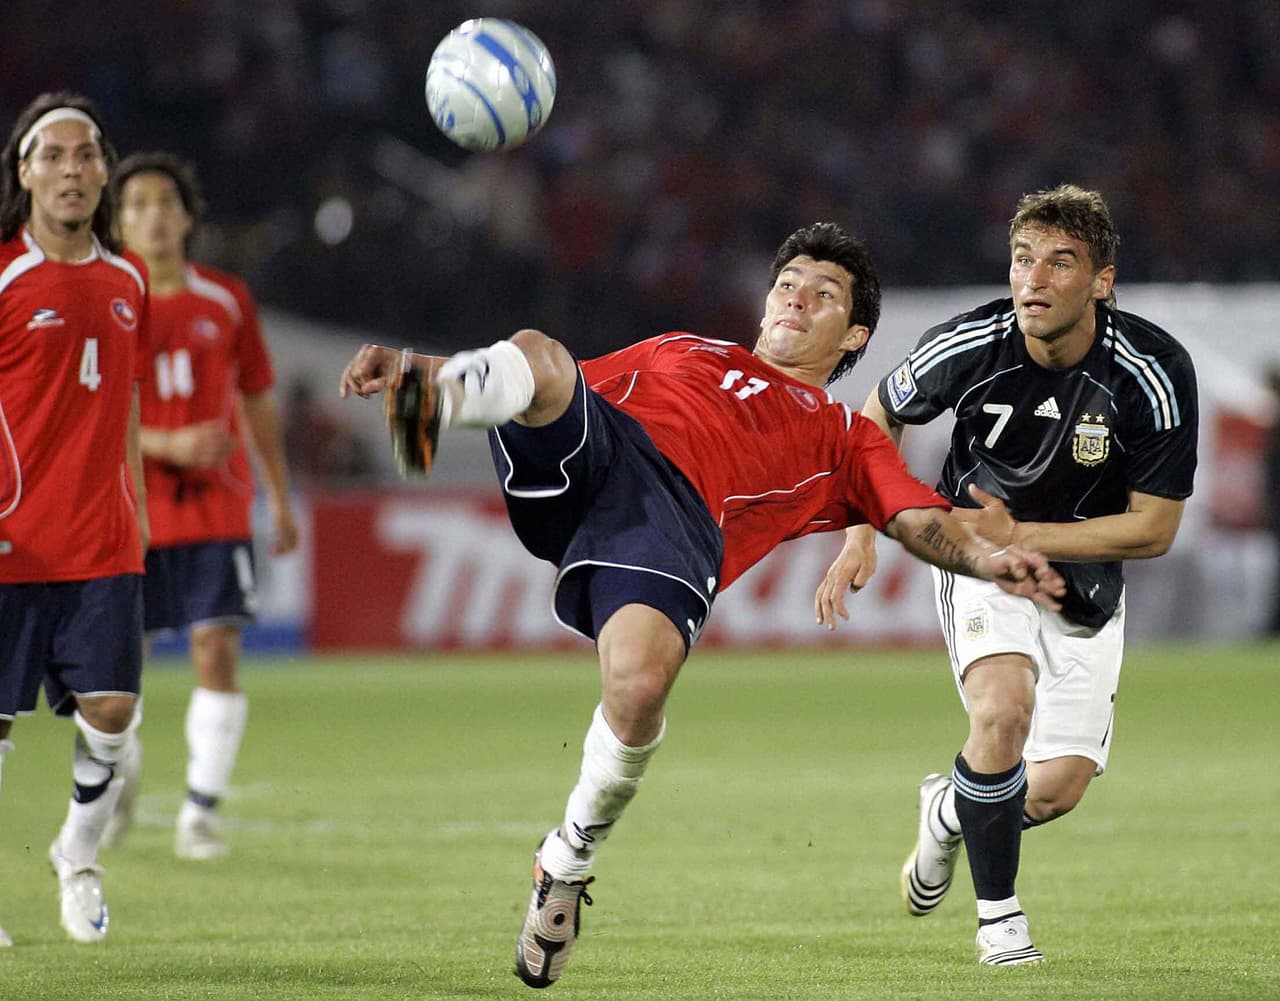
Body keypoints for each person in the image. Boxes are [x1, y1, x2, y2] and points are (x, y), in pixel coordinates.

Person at [339, 222, 1067, 987]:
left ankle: (567, 859)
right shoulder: (680, 348)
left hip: (672, 519)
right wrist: (414, 368)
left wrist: (987, 559)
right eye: (788, 284)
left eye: (824, 295)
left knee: (639, 685)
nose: (797, 298)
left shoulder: (845, 437)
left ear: (852, 335)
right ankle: (436, 403)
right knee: (541, 350)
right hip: (598, 447)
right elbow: (545, 381)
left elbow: (916, 518)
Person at [815, 185, 1199, 965]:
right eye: (1024, 259)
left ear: (1102, 281)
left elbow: (1154, 528)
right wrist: (863, 530)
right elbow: (875, 418)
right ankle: (1001, 921)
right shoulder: (971, 344)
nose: (1035, 279)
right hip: (976, 552)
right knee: (1001, 714)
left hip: (1082, 579)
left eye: (1062, 262)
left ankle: (950, 810)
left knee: (1054, 788)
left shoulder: (1152, 370)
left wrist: (1025, 531)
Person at [104, 151, 298, 860]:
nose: (153, 214)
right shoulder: (107, 299)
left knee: (216, 649)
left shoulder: (226, 299)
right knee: (117, 670)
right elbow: (88, 411)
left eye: (165, 201)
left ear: (187, 216)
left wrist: (279, 497)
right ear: (119, 220)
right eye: (138, 204)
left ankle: (199, 811)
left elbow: (256, 400)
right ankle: (116, 773)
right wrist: (166, 441)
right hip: (132, 508)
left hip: (216, 508)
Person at [0, 91, 150, 945]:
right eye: (51, 155)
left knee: (114, 709)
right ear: (23, 173)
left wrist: (139, 513)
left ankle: (77, 854)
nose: (71, 169)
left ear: (103, 172)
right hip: (10, 538)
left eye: (85, 154)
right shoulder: (5, 276)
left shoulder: (129, 281)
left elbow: (125, 404)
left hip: (102, 537)